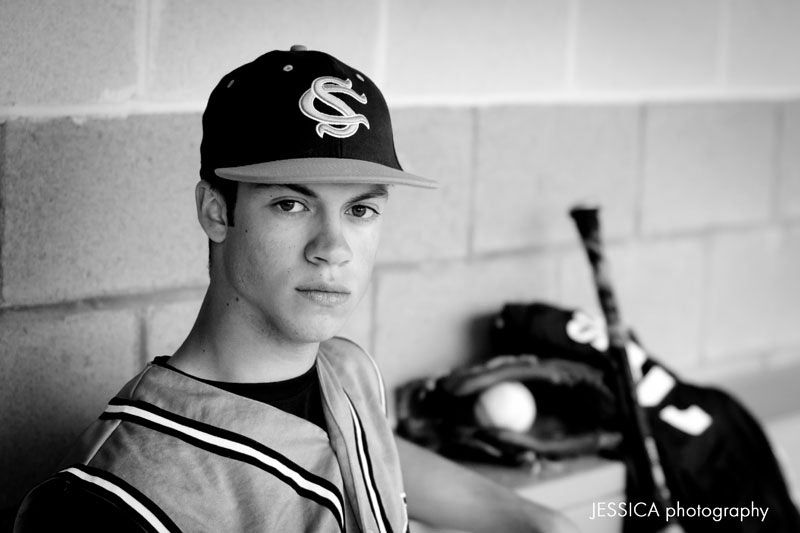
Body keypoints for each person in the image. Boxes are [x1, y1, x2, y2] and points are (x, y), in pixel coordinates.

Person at [14, 45, 578, 533]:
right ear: (216, 211)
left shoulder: (348, 374)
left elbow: (361, 455)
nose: (333, 247)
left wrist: (539, 521)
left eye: (360, 209)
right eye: (291, 203)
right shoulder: (108, 498)